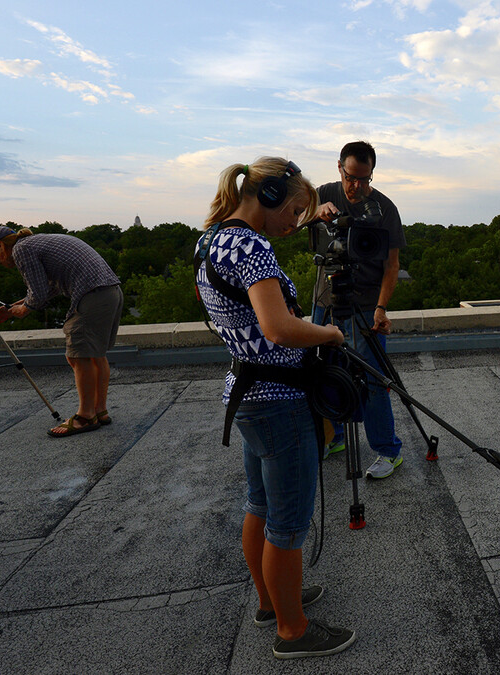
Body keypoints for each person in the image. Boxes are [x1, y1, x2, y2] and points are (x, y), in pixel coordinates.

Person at [194, 156, 355, 660]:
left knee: (260, 505)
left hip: (250, 395)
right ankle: (293, 629)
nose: (296, 222)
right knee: (288, 521)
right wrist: (328, 332)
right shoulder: (250, 245)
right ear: (267, 199)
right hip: (279, 400)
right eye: (294, 210)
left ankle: (271, 602)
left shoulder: (212, 241)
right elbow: (279, 328)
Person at [311, 141, 407, 479]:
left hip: (366, 304)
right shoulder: (322, 194)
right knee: (325, 371)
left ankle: (387, 450)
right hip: (326, 299)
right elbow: (288, 223)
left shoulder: (384, 208)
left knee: (373, 377)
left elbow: (392, 266)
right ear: (340, 168)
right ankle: (333, 437)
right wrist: (313, 211)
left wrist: (382, 307)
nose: (358, 187)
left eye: (365, 179)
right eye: (352, 178)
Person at [0, 226, 123, 437]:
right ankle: (99, 411)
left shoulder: (21, 249)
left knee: (78, 356)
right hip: (110, 292)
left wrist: (21, 310)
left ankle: (85, 416)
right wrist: (12, 309)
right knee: (95, 356)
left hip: (92, 295)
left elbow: (36, 297)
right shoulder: (38, 243)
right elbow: (47, 290)